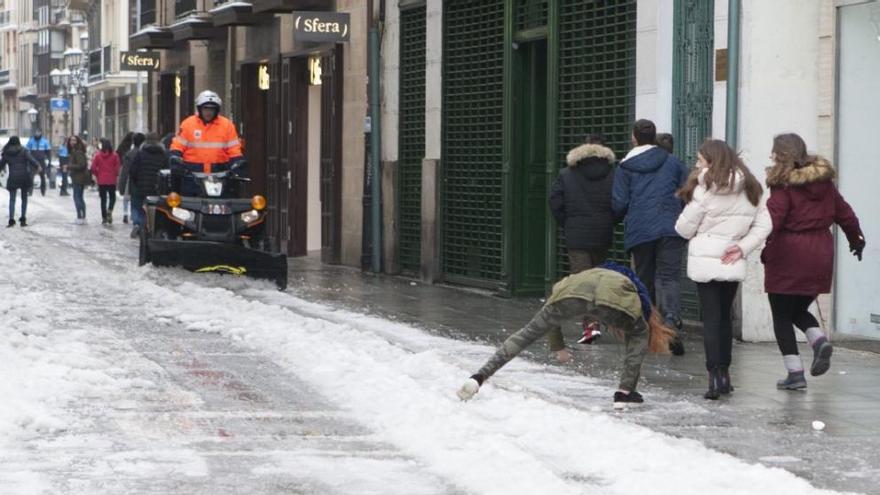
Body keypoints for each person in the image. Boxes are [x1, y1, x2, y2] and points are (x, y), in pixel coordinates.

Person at [457, 262, 676, 409]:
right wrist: (642, 323)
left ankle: (479, 377)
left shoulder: (580, 276)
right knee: (639, 333)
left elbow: (553, 304)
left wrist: (557, 346)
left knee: (527, 334)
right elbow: (644, 307)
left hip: (569, 296)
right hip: (611, 301)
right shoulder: (625, 278)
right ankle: (624, 393)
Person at [761, 133, 865, 390]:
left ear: (781, 155)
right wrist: (857, 239)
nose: (771, 156)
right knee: (797, 309)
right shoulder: (825, 183)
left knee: (782, 315)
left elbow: (773, 220)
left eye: (773, 152)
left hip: (788, 254)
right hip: (820, 252)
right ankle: (818, 340)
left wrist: (759, 246)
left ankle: (795, 373)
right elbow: (845, 213)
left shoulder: (783, 185)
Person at [674, 140, 772, 399]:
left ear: (711, 161)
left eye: (699, 160)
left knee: (711, 319)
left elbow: (683, 229)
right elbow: (764, 226)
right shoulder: (751, 187)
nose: (696, 164)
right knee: (724, 318)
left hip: (705, 260)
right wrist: (741, 248)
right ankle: (725, 375)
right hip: (732, 259)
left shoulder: (704, 189)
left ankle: (713, 376)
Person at [612, 119, 689, 355]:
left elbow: (619, 203)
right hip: (670, 227)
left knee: (643, 279)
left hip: (641, 229)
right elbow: (688, 191)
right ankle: (671, 322)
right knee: (669, 277)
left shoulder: (625, 167)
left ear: (634, 137)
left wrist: (617, 218)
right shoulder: (673, 162)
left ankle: (647, 328)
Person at [549, 134, 617, 348]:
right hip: (603, 232)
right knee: (597, 279)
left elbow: (555, 202)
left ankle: (591, 325)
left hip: (576, 235)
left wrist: (567, 223)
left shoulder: (566, 174)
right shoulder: (613, 174)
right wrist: (611, 221)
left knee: (583, 282)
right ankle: (597, 320)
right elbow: (619, 201)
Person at [170, 90, 244, 196]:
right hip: (192, 177)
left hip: (220, 177)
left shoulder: (227, 125)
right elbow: (177, 146)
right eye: (205, 108)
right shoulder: (188, 124)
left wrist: (238, 164)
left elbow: (234, 150)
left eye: (211, 109)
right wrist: (176, 158)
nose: (208, 112)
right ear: (199, 109)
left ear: (216, 110)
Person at [129, 133, 168, 237]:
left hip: (142, 187)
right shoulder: (164, 155)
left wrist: (137, 182)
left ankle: (140, 225)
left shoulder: (141, 154)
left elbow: (133, 170)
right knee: (155, 209)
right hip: (157, 188)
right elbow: (167, 171)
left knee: (140, 207)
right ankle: (152, 228)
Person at [1, 137, 40, 227]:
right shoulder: (24, 150)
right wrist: (38, 166)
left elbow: (1, 165)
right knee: (24, 199)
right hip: (24, 177)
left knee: (12, 199)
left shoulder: (7, 153)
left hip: (13, 177)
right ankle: (23, 220)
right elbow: (31, 160)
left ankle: (11, 220)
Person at [91, 139, 121, 225]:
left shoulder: (97, 156)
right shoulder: (115, 155)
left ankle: (104, 217)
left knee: (103, 199)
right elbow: (117, 168)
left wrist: (98, 174)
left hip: (102, 180)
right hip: (111, 180)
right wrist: (115, 175)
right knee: (112, 198)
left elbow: (93, 168)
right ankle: (110, 210)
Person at [66, 136, 90, 224]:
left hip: (79, 178)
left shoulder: (78, 151)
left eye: (74, 140)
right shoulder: (74, 151)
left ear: (77, 141)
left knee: (77, 197)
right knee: (79, 197)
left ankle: (80, 217)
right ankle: (82, 217)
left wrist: (69, 167)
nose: (72, 142)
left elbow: (82, 165)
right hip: (77, 177)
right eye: (71, 140)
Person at [26, 130, 51, 196]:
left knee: (42, 176)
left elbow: (48, 152)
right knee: (31, 176)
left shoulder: (45, 141)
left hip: (42, 161)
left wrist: (49, 161)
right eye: (36, 132)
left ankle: (43, 190)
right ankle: (30, 191)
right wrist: (28, 161)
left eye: (38, 132)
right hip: (33, 161)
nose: (37, 134)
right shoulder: (31, 141)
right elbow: (27, 151)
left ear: (41, 133)